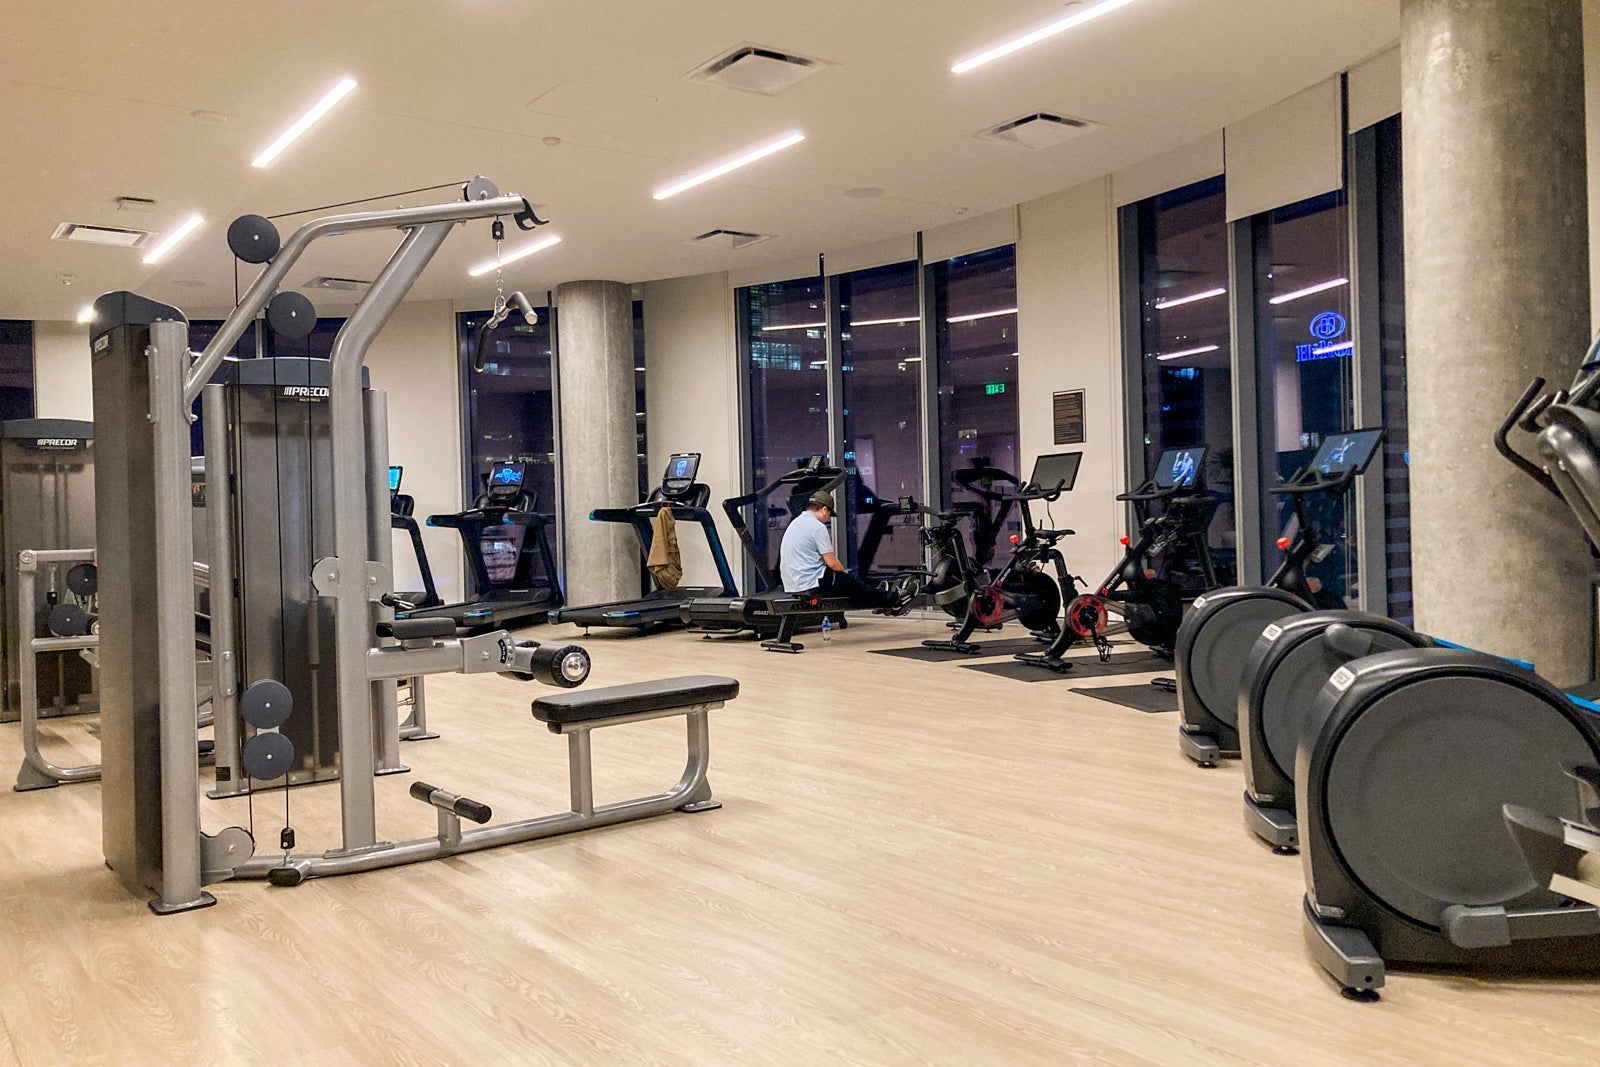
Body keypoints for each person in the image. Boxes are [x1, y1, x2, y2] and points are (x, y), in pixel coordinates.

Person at [778, 490, 917, 614]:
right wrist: (844, 574)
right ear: (824, 509)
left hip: (791, 583)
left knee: (848, 585)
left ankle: (879, 598)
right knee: (853, 584)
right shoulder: (817, 527)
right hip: (811, 582)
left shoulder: (795, 523)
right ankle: (894, 599)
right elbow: (832, 563)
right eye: (829, 515)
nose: (827, 519)